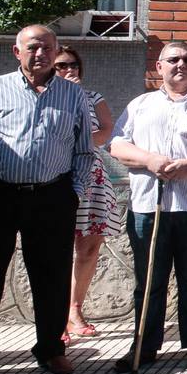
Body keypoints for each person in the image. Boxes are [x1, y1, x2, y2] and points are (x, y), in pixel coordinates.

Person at [0, 25, 91, 374]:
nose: (40, 54)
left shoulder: (73, 96)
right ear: (17, 52)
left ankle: (51, 350)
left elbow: (83, 151)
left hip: (51, 196)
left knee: (52, 276)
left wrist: (72, 191)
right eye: (32, 48)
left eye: (47, 48)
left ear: (57, 53)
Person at [110, 41, 187, 372]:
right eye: (173, 59)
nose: (180, 64)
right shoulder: (140, 105)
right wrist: (150, 159)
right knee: (149, 279)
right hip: (148, 207)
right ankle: (144, 345)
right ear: (159, 67)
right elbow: (118, 145)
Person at [55, 45, 123, 343]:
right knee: (54, 250)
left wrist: (78, 103)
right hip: (56, 178)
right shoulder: (45, 99)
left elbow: (106, 133)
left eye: (73, 65)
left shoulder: (93, 99)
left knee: (89, 248)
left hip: (92, 178)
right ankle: (54, 318)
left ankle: (74, 309)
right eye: (60, 66)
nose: (68, 70)